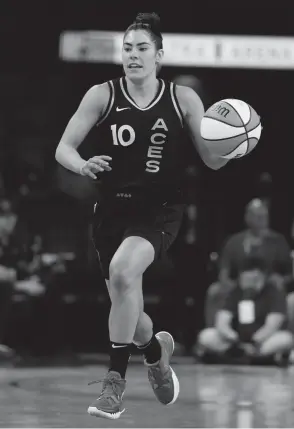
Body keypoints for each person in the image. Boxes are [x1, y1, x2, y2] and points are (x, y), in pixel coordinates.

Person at [55, 12, 232, 420]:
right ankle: (156, 351)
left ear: (159, 55)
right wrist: (82, 165)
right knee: (128, 308)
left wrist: (234, 145)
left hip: (160, 209)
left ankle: (113, 385)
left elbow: (212, 160)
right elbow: (63, 148)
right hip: (112, 211)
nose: (133, 56)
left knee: (122, 272)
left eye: (142, 48)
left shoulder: (182, 98)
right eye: (127, 48)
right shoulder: (102, 94)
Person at [197, 257, 293, 365]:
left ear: (263, 277)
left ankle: (248, 357)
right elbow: (222, 321)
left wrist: (254, 342)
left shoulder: (274, 293)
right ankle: (242, 356)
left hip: (261, 342)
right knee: (206, 336)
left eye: (254, 279)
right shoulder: (235, 293)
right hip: (234, 342)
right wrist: (235, 340)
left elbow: (272, 325)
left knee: (285, 339)